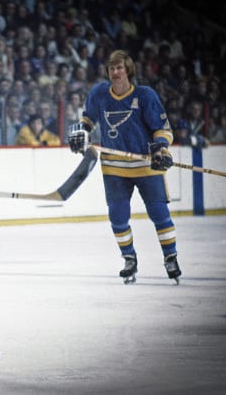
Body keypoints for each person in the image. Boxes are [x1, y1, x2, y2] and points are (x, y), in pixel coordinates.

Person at [68, 49, 181, 284]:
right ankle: (129, 258)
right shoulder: (99, 93)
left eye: (119, 67)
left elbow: (163, 130)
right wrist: (81, 132)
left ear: (128, 70)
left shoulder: (145, 95)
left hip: (145, 164)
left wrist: (160, 148)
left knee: (159, 213)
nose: (115, 72)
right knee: (117, 217)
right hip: (114, 166)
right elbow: (87, 119)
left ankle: (170, 257)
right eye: (112, 68)